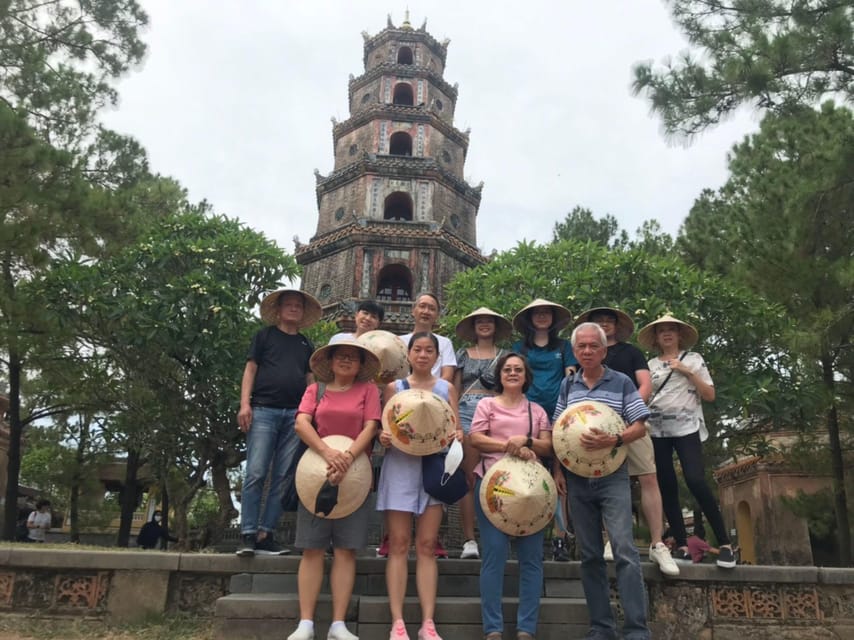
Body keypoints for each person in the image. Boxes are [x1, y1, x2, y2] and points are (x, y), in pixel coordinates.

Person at [553, 322, 652, 640]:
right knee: (591, 554)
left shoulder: (621, 381)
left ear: (604, 349)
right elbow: (558, 431)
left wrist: (614, 439)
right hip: (577, 477)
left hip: (612, 476)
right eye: (580, 346)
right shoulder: (568, 386)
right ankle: (601, 627)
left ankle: (637, 629)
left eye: (592, 346)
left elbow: (640, 425)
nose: (586, 351)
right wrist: (558, 472)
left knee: (624, 549)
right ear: (575, 350)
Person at [287, 340, 382, 640]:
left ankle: (338, 623)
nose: (345, 360)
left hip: (355, 474)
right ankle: (306, 622)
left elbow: (371, 427)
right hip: (316, 471)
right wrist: (328, 453)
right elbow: (302, 423)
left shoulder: (369, 391)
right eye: (340, 355)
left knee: (345, 549)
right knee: (312, 548)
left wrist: (348, 456)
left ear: (360, 365)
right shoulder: (316, 390)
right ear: (329, 360)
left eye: (352, 357)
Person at [574, 307, 679, 576]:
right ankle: (611, 539)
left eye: (610, 321)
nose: (605, 324)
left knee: (648, 476)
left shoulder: (631, 353)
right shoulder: (584, 357)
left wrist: (628, 408)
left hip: (631, 421)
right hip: (596, 429)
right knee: (603, 476)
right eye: (600, 321)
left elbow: (644, 384)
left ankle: (657, 542)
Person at [377, 332, 462, 640]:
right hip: (400, 466)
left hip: (432, 468)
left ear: (437, 356)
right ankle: (397, 622)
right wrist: (383, 437)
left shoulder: (446, 387)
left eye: (429, 350)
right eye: (417, 349)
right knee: (398, 544)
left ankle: (428, 622)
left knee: (427, 545)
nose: (423, 355)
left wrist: (457, 437)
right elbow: (385, 427)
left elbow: (456, 429)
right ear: (408, 354)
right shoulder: (394, 388)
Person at [638, 313, 737, 569]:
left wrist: (687, 372)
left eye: (672, 330)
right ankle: (681, 543)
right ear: (657, 337)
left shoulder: (694, 359)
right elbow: (645, 395)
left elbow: (710, 394)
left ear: (679, 335)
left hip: (687, 428)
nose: (668, 334)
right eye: (663, 331)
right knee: (666, 485)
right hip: (657, 430)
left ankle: (725, 543)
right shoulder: (650, 365)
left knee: (695, 479)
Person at [469, 352, 552, 640]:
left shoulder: (537, 410)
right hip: (493, 487)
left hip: (531, 492)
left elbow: (548, 446)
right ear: (500, 375)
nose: (513, 373)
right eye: (507, 369)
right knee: (494, 554)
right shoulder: (486, 404)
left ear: (526, 376)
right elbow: (476, 439)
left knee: (531, 558)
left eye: (518, 369)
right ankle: (492, 627)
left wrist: (528, 442)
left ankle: (526, 628)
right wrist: (509, 445)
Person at [236, 288, 320, 557]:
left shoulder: (306, 344)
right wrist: (245, 404)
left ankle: (266, 532)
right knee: (257, 472)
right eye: (289, 305)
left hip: (295, 414)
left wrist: (312, 410)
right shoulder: (265, 336)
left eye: (298, 305)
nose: (294, 308)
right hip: (263, 409)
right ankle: (248, 532)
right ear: (280, 310)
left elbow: (310, 381)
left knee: (283, 477)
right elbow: (251, 369)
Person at [381, 293, 456, 560]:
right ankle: (389, 536)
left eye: (432, 307)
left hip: (433, 413)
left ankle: (433, 540)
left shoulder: (445, 343)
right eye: (422, 306)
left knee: (433, 485)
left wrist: (430, 396)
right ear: (413, 310)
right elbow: (388, 372)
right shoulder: (396, 341)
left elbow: (446, 378)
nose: (426, 311)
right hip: (403, 411)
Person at [511, 298, 577, 561]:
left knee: (560, 478)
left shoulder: (564, 347)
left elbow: (571, 375)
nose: (541, 316)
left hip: (559, 414)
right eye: (536, 313)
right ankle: (524, 531)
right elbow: (515, 376)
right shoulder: (520, 348)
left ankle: (561, 539)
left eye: (546, 313)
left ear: (552, 318)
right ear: (530, 319)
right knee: (527, 475)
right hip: (528, 415)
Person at [452, 307, 511, 560]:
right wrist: (454, 421)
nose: (485, 325)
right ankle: (469, 538)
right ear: (474, 327)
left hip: (497, 411)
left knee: (498, 476)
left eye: (489, 321)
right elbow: (453, 390)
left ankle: (496, 534)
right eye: (480, 322)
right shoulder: (462, 354)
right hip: (466, 410)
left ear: (495, 327)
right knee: (469, 477)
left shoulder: (506, 356)